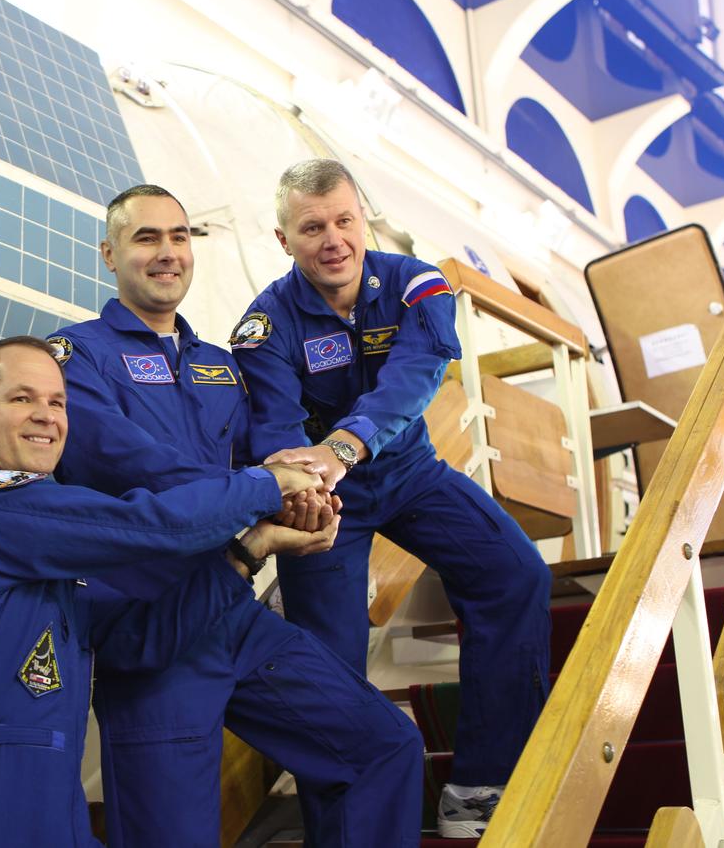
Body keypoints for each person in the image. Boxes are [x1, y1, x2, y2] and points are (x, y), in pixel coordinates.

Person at [49, 186, 423, 848]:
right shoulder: (75, 360)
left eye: (179, 236)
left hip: (233, 610)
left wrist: (309, 503)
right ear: (109, 254)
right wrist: (262, 490)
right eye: (146, 238)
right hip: (151, 629)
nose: (168, 252)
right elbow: (135, 466)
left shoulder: (221, 366)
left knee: (382, 744)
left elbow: (268, 457)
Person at [0, 336, 330, 848]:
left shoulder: (48, 558)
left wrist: (251, 549)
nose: (47, 416)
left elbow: (140, 639)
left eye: (58, 402)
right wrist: (268, 483)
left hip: (48, 809)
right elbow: (153, 526)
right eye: (22, 398)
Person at [232, 158, 553, 838]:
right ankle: (336, 831)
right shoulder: (264, 325)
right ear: (284, 239)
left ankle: (481, 783)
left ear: (364, 220)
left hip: (411, 475)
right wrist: (306, 491)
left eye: (344, 220)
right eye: (312, 226)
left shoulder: (416, 284)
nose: (333, 239)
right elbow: (276, 428)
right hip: (324, 502)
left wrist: (346, 445)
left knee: (515, 573)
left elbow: (415, 375)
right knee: (331, 665)